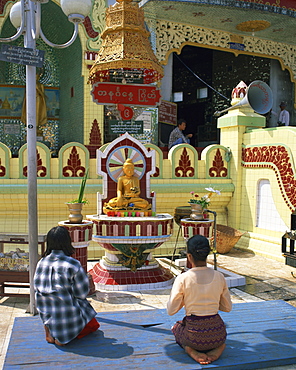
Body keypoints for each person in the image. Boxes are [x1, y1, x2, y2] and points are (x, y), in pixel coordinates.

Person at [167, 235, 232, 365]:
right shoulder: (219, 277)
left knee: (176, 327)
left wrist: (186, 301)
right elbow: (227, 308)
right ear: (207, 254)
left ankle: (190, 349)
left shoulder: (183, 278)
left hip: (194, 337)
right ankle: (219, 348)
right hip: (217, 334)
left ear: (189, 256)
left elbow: (171, 310)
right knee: (218, 336)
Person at [34, 226, 100, 346]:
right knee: (93, 323)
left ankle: (49, 329)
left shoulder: (41, 262)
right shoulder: (73, 264)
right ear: (67, 242)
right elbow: (82, 294)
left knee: (51, 301)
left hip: (45, 311)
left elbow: (36, 287)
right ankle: (62, 338)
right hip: (66, 313)